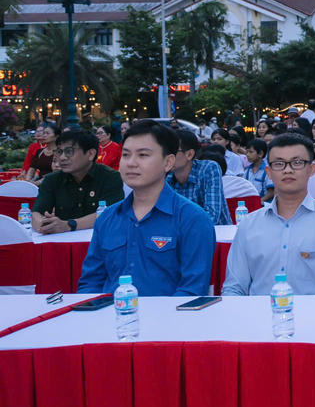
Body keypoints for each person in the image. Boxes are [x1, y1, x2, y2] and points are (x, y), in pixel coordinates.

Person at [77, 122, 216, 296]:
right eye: (126, 155)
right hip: (110, 317)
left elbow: (192, 290)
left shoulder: (192, 219)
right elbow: (90, 283)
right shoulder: (107, 218)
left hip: (171, 319)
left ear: (168, 162)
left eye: (143, 155)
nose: (131, 163)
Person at [222, 134, 315, 296]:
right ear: (268, 172)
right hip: (258, 317)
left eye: (297, 163)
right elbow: (233, 287)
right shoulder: (249, 224)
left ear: (311, 170)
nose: (288, 170)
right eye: (279, 164)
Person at [31, 129, 125, 234]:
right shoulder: (52, 179)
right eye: (59, 152)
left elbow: (110, 214)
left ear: (90, 154)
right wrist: (43, 224)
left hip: (100, 240)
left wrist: (68, 225)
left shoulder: (110, 177)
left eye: (69, 151)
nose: (62, 158)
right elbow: (37, 212)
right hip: (62, 242)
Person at [168, 130, 231, 225]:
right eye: (164, 151)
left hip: (217, 236)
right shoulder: (166, 175)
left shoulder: (209, 169)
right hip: (182, 235)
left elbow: (211, 216)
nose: (166, 157)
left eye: (172, 152)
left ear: (189, 154)